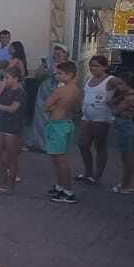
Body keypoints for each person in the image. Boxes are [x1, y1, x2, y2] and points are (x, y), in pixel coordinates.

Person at [42, 61, 81, 204]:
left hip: (57, 125)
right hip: (67, 123)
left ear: (69, 75)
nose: (56, 76)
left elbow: (45, 106)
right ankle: (60, 186)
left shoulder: (60, 90)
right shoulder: (76, 90)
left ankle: (68, 191)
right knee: (57, 158)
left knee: (60, 160)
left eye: (60, 73)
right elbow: (76, 108)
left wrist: (53, 107)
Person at [76, 55, 116, 185]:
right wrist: (82, 106)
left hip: (102, 117)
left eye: (96, 66)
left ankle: (97, 176)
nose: (93, 68)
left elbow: (126, 92)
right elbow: (84, 93)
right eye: (91, 65)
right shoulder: (89, 78)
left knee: (100, 146)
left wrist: (117, 106)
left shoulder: (111, 80)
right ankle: (88, 172)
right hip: (86, 116)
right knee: (82, 144)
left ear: (104, 67)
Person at [0, 67, 26, 195]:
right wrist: (0, 89)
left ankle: (10, 185)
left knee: (11, 157)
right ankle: (2, 180)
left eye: (7, 78)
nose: (5, 80)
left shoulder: (20, 92)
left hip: (12, 126)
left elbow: (13, 108)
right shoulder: (5, 89)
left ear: (15, 79)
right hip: (0, 124)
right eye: (4, 77)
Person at [107, 69, 134, 195]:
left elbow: (115, 110)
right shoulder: (125, 95)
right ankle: (125, 182)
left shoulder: (130, 97)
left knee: (127, 157)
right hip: (122, 124)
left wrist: (111, 104)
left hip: (125, 125)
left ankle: (126, 184)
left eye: (121, 84)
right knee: (125, 156)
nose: (119, 86)